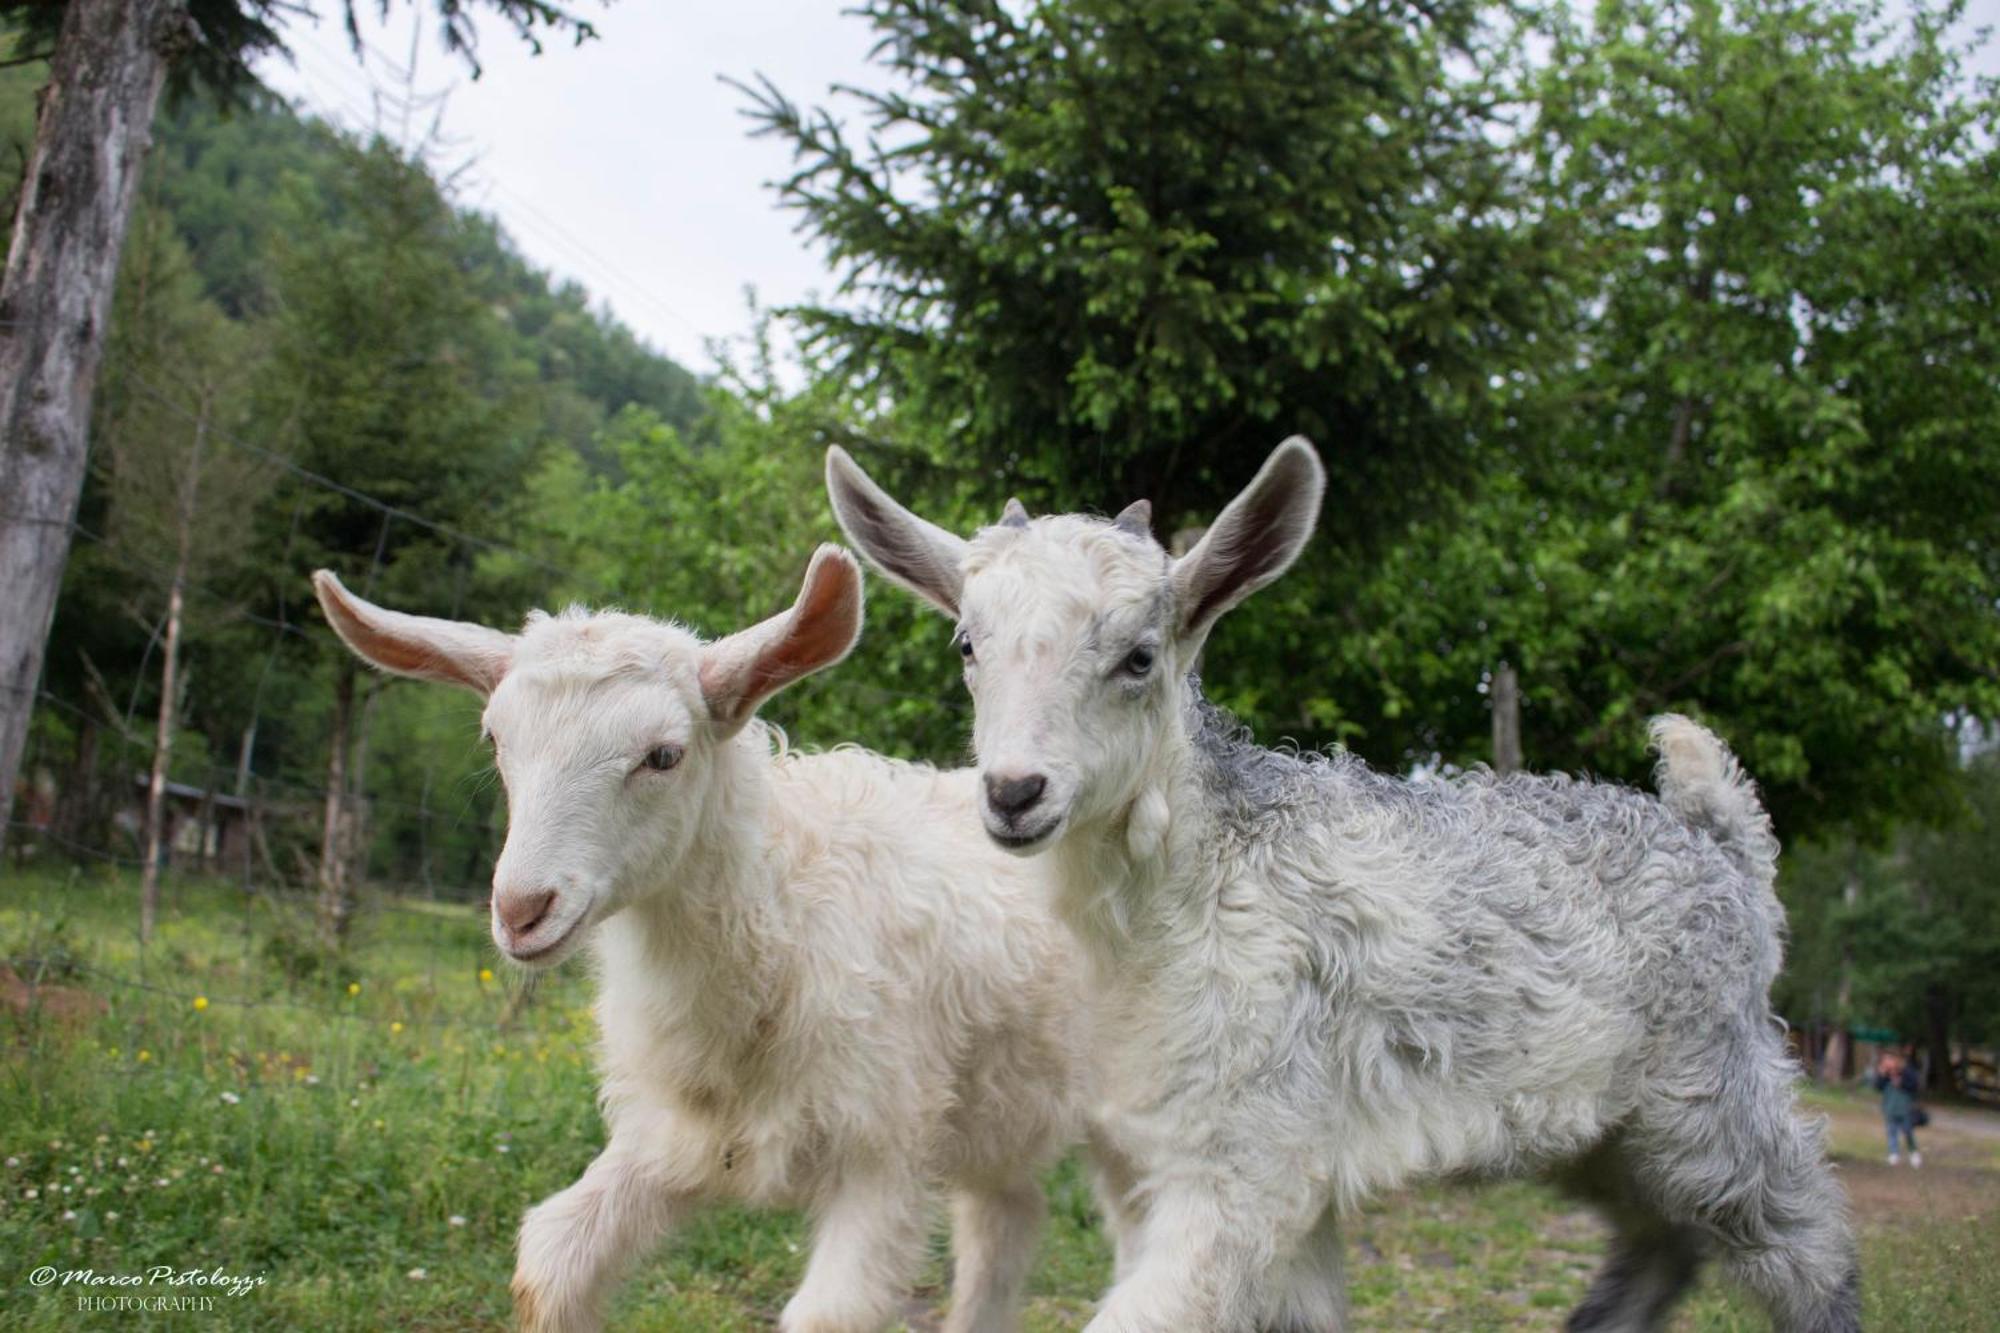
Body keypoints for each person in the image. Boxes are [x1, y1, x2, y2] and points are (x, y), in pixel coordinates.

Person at [1869, 1049, 1923, 1167]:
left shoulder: (1906, 1072)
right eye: (1885, 1060)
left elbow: (1914, 1086)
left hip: (1905, 1108)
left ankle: (1913, 1152)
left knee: (1907, 1131)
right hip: (1890, 1108)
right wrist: (1881, 1075)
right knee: (1891, 1131)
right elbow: (1877, 1087)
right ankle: (1894, 1153)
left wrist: (1901, 1083)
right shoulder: (1885, 1075)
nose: (1887, 1062)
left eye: (1889, 1059)